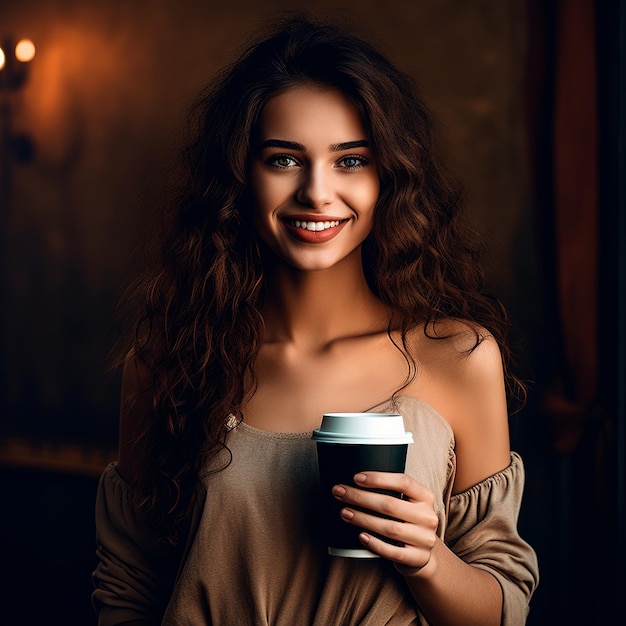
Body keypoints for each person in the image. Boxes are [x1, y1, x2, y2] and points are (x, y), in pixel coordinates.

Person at [92, 15, 539, 626]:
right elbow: (127, 590)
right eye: (283, 160)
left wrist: (429, 559)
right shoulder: (169, 361)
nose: (317, 193)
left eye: (350, 161)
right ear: (240, 178)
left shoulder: (458, 358)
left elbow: (503, 608)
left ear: (389, 176)